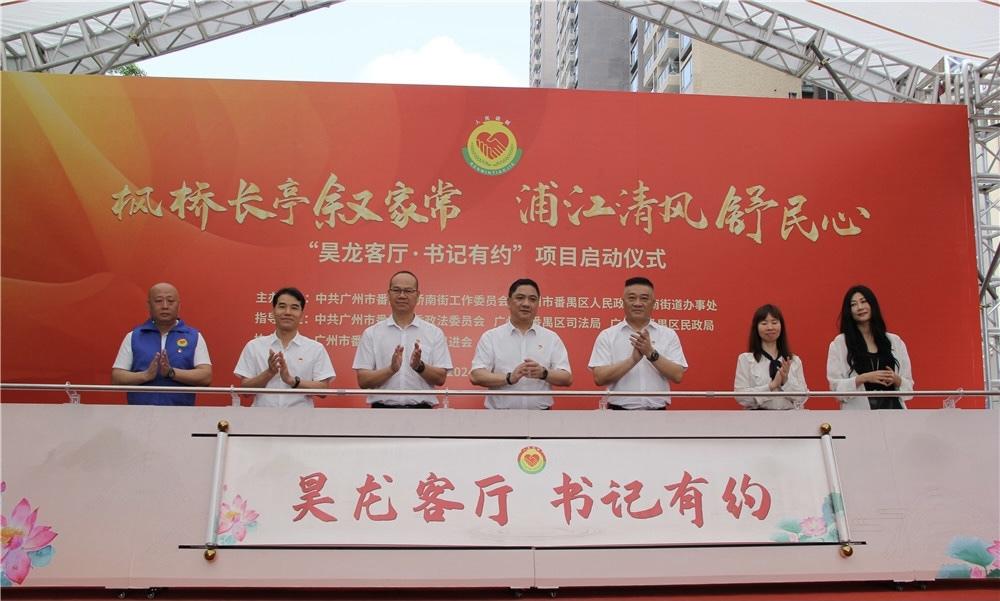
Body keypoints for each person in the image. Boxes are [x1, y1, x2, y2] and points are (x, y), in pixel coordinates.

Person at [353, 271, 452, 408]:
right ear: (388, 294)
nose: (402, 295)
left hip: (422, 411)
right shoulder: (372, 333)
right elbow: (363, 380)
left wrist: (419, 366)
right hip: (381, 411)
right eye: (396, 290)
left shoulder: (434, 333)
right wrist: (391, 369)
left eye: (408, 291)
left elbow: (441, 378)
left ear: (417, 295)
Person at [470, 278, 572, 409]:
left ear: (538, 304)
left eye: (532, 299)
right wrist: (509, 378)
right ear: (508, 302)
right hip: (499, 416)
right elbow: (476, 376)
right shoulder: (491, 337)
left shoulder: (551, 338)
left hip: (541, 416)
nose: (526, 304)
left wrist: (544, 373)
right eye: (520, 298)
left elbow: (566, 378)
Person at [588, 276, 687, 410]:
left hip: (658, 413)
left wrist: (651, 353)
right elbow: (599, 378)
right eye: (632, 298)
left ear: (653, 302)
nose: (637, 303)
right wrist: (632, 360)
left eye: (644, 298)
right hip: (618, 412)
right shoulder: (608, 335)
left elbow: (677, 375)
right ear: (623, 301)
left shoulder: (668, 334)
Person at [111, 282, 212, 406]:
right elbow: (117, 377)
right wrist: (145, 375)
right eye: (158, 301)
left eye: (170, 301)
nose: (165, 306)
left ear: (179, 305)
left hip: (182, 413)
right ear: (149, 306)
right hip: (139, 413)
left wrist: (171, 372)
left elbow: (206, 376)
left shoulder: (194, 336)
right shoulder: (134, 336)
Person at [234, 287, 335, 408]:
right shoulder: (254, 346)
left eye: (294, 308)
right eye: (282, 306)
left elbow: (323, 390)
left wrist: (292, 381)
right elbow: (245, 391)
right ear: (273, 311)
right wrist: (269, 373)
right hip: (262, 416)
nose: (287, 312)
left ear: (301, 315)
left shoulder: (315, 348)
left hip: (301, 417)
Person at [826, 285, 913, 410]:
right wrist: (863, 378)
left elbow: (909, 389)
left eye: (863, 301)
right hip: (859, 415)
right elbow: (836, 389)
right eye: (853, 304)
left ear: (873, 305)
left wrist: (896, 379)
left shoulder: (895, 341)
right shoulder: (839, 344)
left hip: (894, 412)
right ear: (848, 311)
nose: (860, 307)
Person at [733, 304, 808, 410]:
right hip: (757, 417)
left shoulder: (794, 360)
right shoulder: (746, 359)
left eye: (774, 322)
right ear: (756, 328)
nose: (770, 327)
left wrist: (786, 381)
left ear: (781, 326)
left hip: (790, 416)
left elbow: (802, 397)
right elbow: (741, 397)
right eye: (764, 323)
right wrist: (771, 386)